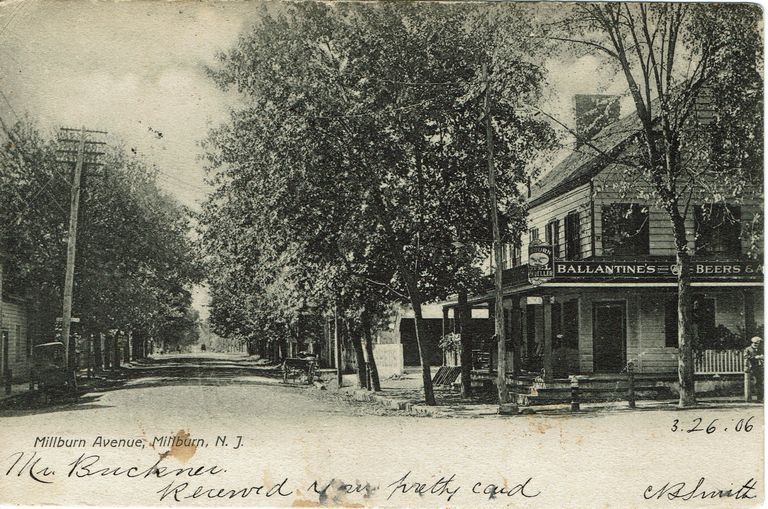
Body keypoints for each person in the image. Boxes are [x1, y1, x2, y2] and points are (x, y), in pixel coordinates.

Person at [745, 336, 763, 402]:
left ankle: (760, 398)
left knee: (760, 382)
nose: (756, 345)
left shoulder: (760, 349)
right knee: (754, 383)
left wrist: (762, 357)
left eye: (758, 343)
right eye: (755, 343)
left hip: (760, 367)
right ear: (752, 343)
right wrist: (755, 357)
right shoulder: (748, 349)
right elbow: (746, 357)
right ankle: (751, 398)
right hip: (752, 368)